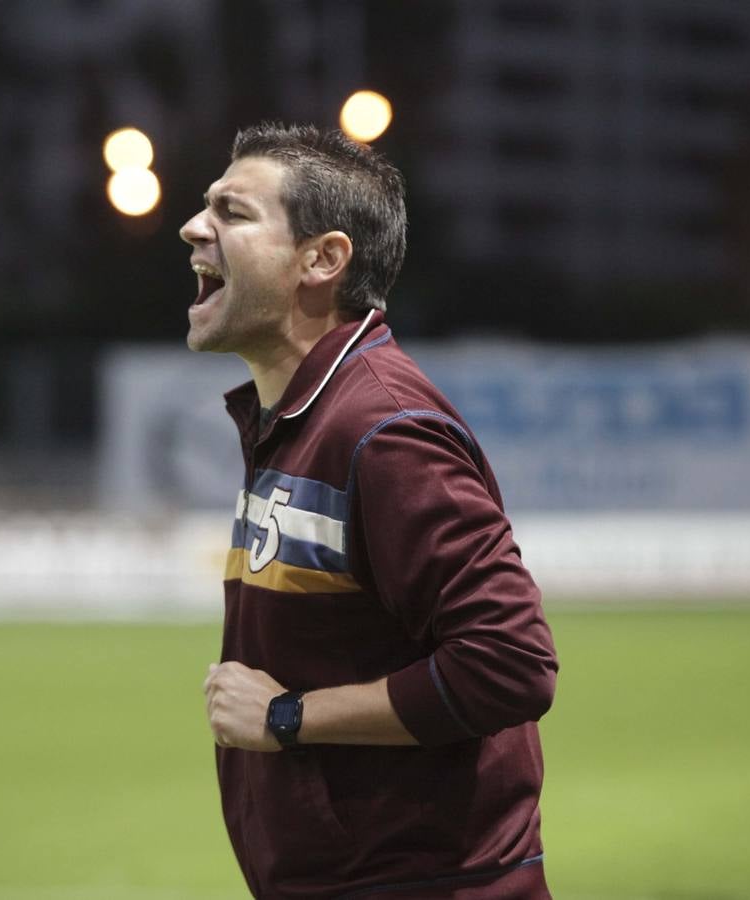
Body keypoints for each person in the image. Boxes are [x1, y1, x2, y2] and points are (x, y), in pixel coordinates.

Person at [182, 123, 558, 899]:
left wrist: (288, 715)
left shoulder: (383, 431)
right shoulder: (301, 416)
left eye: (233, 211)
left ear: (322, 260)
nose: (194, 226)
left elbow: (511, 664)